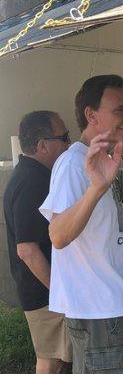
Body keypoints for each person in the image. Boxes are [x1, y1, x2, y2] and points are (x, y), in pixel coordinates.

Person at [39, 75, 123, 374]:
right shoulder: (74, 164)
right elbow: (57, 235)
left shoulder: (93, 159)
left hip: (107, 312)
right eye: (120, 110)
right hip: (102, 315)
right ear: (91, 114)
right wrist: (96, 188)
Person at [3, 111, 72, 374]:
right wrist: (61, 294)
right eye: (64, 137)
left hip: (44, 293)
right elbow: (27, 250)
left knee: (58, 359)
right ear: (43, 145)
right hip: (45, 295)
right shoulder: (33, 182)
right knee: (52, 361)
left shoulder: (29, 175)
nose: (68, 144)